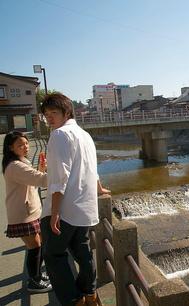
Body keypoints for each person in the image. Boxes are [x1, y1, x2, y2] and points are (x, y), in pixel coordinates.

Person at [40, 93, 110, 306]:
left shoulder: (59, 134)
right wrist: (99, 189)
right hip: (85, 209)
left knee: (53, 255)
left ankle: (74, 299)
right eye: (46, 115)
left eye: (54, 113)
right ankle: (90, 294)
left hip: (66, 209)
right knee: (83, 251)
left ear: (66, 112)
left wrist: (54, 213)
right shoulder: (85, 135)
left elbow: (59, 178)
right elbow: (92, 168)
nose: (49, 118)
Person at [2, 131, 52, 293]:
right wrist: (60, 173)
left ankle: (37, 275)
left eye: (26, 143)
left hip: (29, 210)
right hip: (23, 213)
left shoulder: (21, 162)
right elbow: (41, 180)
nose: (25, 147)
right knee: (35, 246)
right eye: (20, 145)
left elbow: (33, 182)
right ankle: (34, 281)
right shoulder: (16, 166)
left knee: (38, 244)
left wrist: (40, 169)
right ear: (11, 148)